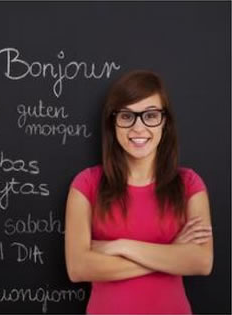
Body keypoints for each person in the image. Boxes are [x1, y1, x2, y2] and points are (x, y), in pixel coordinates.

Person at [64, 70, 213, 314]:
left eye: (151, 115)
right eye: (127, 116)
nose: (138, 127)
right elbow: (79, 267)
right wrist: (173, 253)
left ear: (165, 122)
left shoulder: (189, 184)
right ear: (113, 123)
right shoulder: (86, 184)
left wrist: (120, 245)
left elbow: (201, 262)